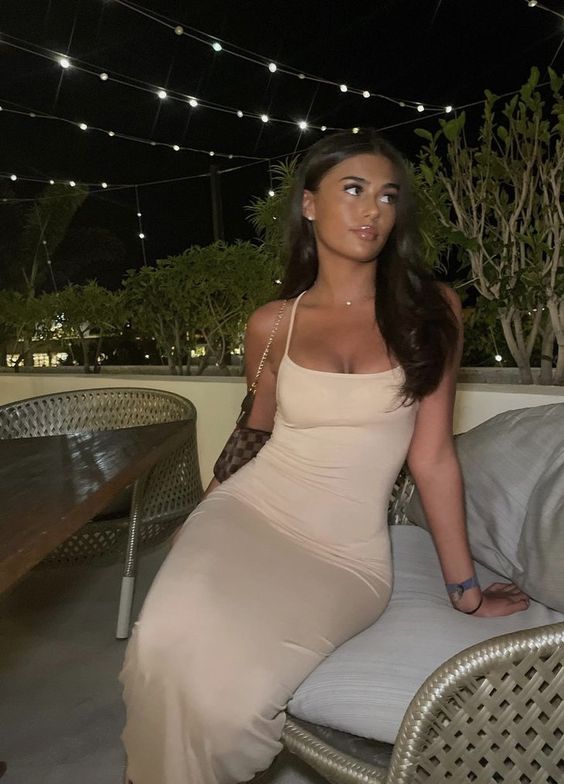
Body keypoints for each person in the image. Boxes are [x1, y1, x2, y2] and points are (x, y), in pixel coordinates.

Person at [119, 129, 529, 784]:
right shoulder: (273, 323)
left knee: (230, 700)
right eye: (354, 189)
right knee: (159, 645)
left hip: (344, 554)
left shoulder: (432, 312)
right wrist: (200, 521)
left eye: (388, 196)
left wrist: (466, 594)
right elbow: (252, 436)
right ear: (309, 205)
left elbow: (432, 460)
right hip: (245, 515)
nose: (373, 210)